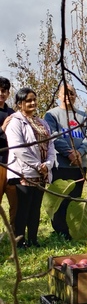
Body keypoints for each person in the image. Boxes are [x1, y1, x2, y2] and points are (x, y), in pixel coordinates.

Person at [6, 88, 55, 248]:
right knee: (23, 209)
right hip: (24, 172)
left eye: (34, 99)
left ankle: (33, 239)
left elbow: (51, 145)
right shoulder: (15, 121)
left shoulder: (42, 122)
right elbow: (18, 148)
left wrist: (47, 164)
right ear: (20, 104)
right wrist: (36, 165)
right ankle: (20, 242)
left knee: (35, 209)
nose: (32, 103)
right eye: (28, 100)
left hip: (41, 173)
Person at [44, 84, 87, 240]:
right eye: (65, 93)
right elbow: (54, 136)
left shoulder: (83, 116)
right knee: (60, 199)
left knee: (75, 199)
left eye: (72, 93)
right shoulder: (51, 115)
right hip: (61, 165)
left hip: (79, 165)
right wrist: (69, 153)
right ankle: (59, 230)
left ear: (75, 96)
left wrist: (80, 152)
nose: (69, 96)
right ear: (59, 95)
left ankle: (72, 229)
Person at [0, 77, 17, 230]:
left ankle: (14, 235)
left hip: (11, 164)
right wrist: (2, 129)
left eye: (4, 90)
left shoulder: (12, 113)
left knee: (15, 202)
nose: (1, 93)